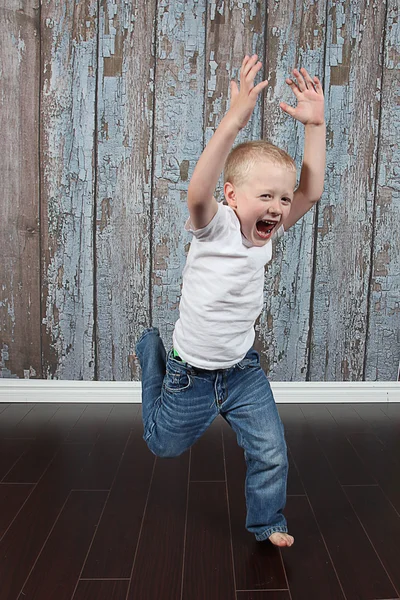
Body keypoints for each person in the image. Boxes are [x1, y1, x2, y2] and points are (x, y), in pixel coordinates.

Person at [136, 54, 326, 547]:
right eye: (266, 197)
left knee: (272, 451)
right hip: (190, 373)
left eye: (283, 201)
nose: (279, 208)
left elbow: (312, 190)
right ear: (232, 196)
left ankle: (267, 524)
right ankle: (151, 354)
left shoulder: (271, 229)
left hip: (242, 371)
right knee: (162, 445)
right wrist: (234, 120)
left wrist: (316, 125)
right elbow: (196, 188)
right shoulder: (212, 223)